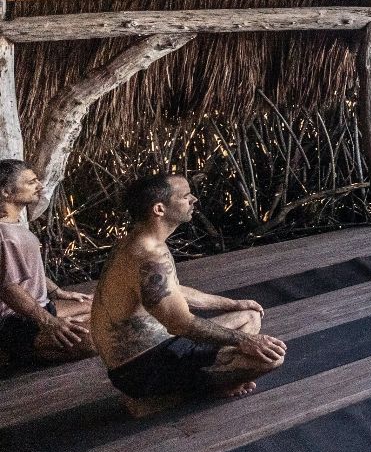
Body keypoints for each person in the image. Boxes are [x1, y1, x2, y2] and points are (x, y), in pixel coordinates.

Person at [91, 174, 284, 401]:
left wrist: (233, 303)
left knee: (249, 316)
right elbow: (179, 323)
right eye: (184, 196)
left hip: (163, 346)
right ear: (159, 209)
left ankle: (211, 376)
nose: (193, 199)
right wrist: (244, 341)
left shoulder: (139, 241)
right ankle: (195, 389)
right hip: (142, 369)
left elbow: (172, 290)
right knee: (271, 358)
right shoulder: (148, 256)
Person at [0, 160, 93, 368]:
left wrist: (59, 292)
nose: (40, 186)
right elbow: (8, 289)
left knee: (101, 306)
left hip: (38, 307)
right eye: (31, 182)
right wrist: (49, 323)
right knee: (94, 340)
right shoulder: (4, 236)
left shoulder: (14, 224)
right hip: (14, 320)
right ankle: (14, 352)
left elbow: (28, 271)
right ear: (6, 192)